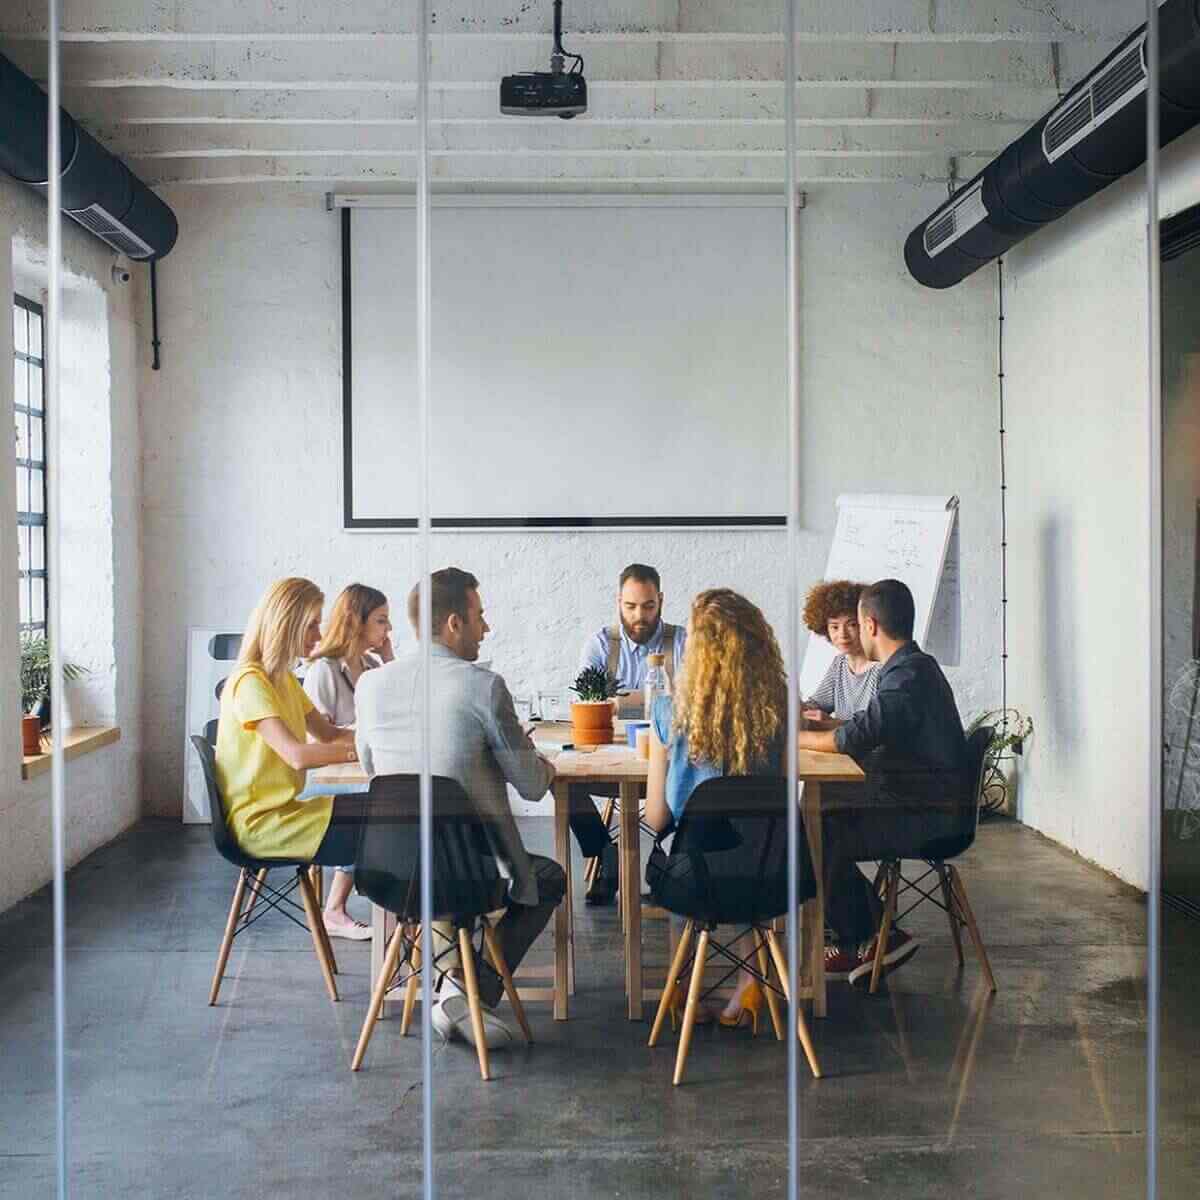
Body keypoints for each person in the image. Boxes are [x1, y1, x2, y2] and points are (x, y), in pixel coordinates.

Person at [355, 568, 566, 1050]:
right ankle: (466, 993)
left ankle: (449, 982)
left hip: (391, 872)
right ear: (454, 623)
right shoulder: (483, 687)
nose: (485, 628)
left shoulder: (370, 686)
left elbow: (373, 772)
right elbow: (532, 787)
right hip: (467, 875)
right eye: (480, 616)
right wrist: (542, 763)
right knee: (548, 877)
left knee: (443, 873)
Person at [798, 578, 967, 987]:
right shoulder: (911, 667)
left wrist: (794, 738)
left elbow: (854, 736)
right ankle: (859, 937)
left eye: (854, 624)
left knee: (817, 832)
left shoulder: (905, 677)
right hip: (915, 799)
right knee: (816, 815)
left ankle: (877, 935)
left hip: (929, 816)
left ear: (870, 625)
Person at [644, 588, 787, 1028]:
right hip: (769, 875)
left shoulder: (671, 712)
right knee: (746, 844)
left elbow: (657, 817)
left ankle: (683, 985)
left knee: (688, 852)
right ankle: (749, 984)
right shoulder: (777, 708)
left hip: (696, 881)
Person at [214, 578, 365, 891]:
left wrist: (382, 743)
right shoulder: (250, 683)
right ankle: (410, 927)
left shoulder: (282, 679)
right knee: (391, 831)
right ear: (286, 625)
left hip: (289, 813)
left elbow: (328, 734)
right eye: (311, 626)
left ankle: (403, 930)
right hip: (263, 827)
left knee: (387, 811)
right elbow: (296, 756)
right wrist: (362, 751)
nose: (320, 636)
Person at [574, 563, 689, 904]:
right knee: (559, 778)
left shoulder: (683, 640)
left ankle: (660, 854)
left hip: (664, 765)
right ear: (618, 602)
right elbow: (587, 703)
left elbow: (693, 700)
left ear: (662, 601)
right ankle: (603, 850)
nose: (640, 615)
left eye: (649, 606)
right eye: (631, 606)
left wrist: (619, 702)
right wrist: (656, 699)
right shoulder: (599, 644)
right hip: (611, 755)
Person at [302, 583, 395, 940]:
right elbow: (316, 741)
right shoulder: (323, 670)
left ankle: (397, 897)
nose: (387, 630)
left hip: (359, 770)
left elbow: (401, 709)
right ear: (356, 622)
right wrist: (357, 737)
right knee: (378, 802)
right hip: (323, 780)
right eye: (381, 621)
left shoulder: (371, 666)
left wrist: (389, 659)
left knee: (397, 793)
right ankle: (335, 909)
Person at [801, 580, 880, 722]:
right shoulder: (840, 664)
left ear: (866, 625)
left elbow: (876, 730)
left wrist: (832, 723)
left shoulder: (881, 670)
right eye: (834, 627)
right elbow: (817, 705)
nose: (842, 634)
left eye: (852, 625)